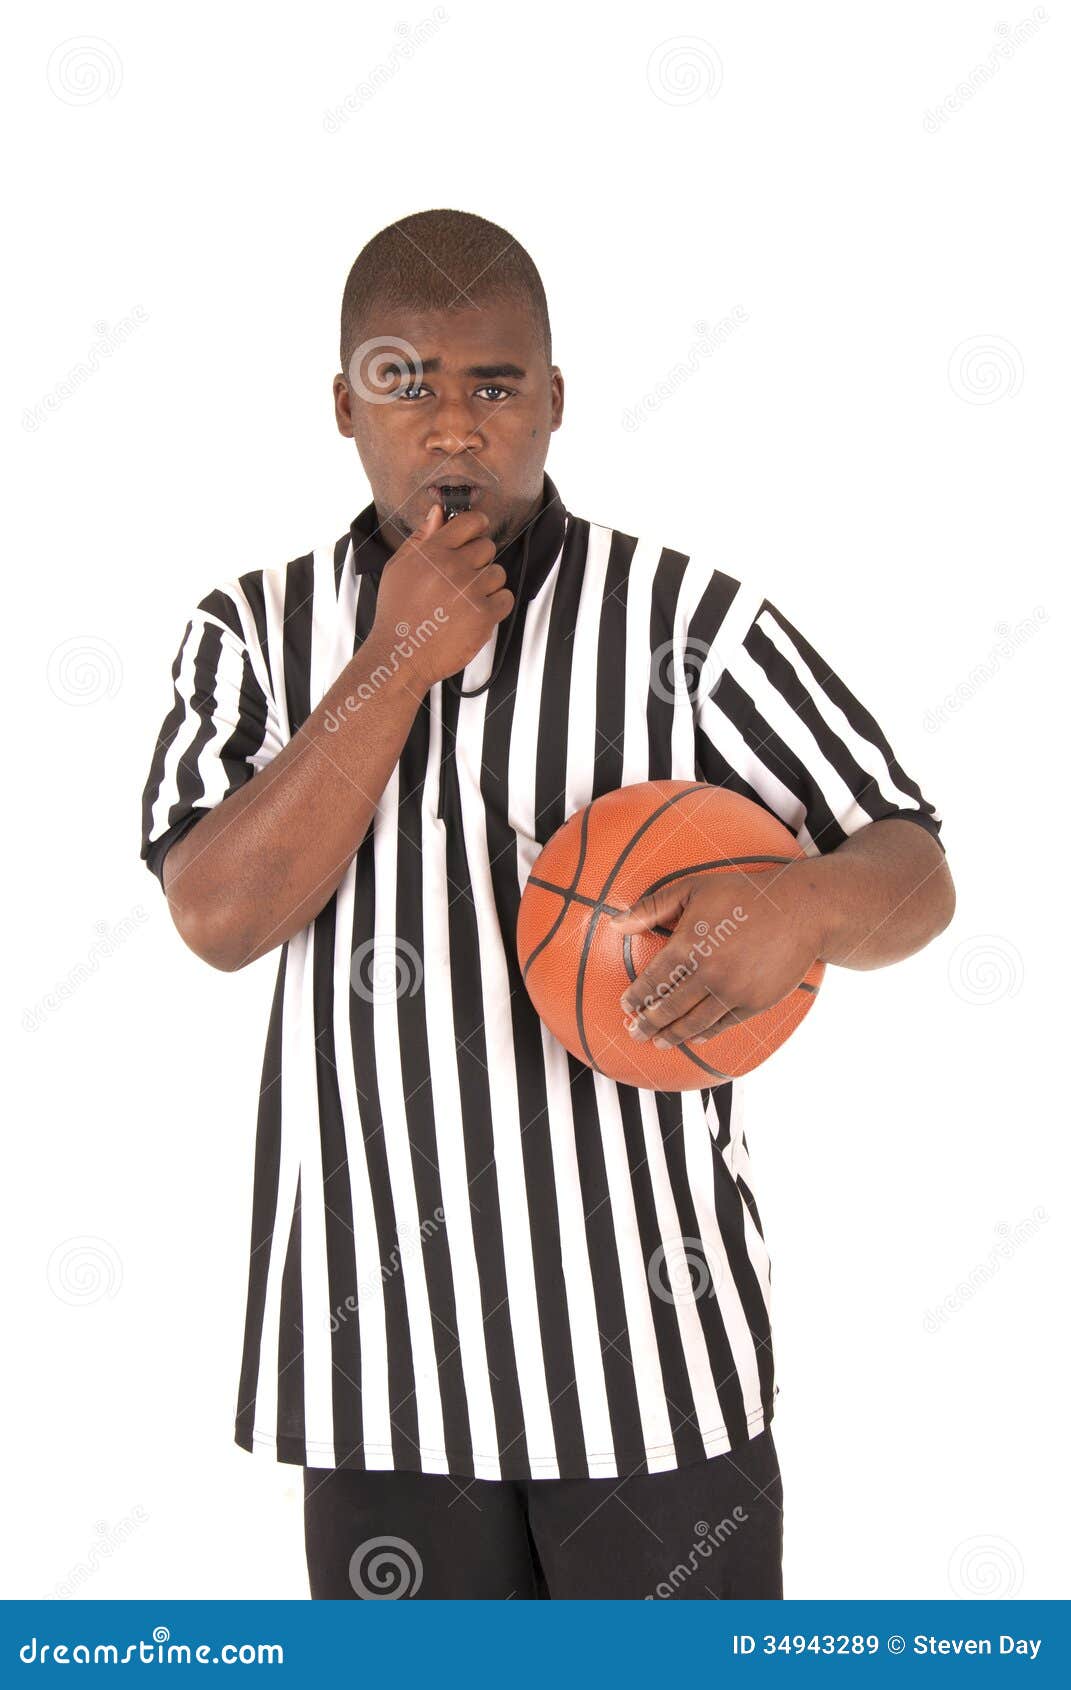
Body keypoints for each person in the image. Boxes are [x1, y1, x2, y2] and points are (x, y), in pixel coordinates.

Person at [139, 208, 955, 1600]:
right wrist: (393, 660)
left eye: (495, 385)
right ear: (343, 404)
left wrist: (802, 905)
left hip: (652, 1365)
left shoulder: (687, 621)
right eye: (406, 382)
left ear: (556, 401)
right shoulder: (251, 632)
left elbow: (915, 867)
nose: (452, 427)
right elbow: (217, 914)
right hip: (379, 1372)